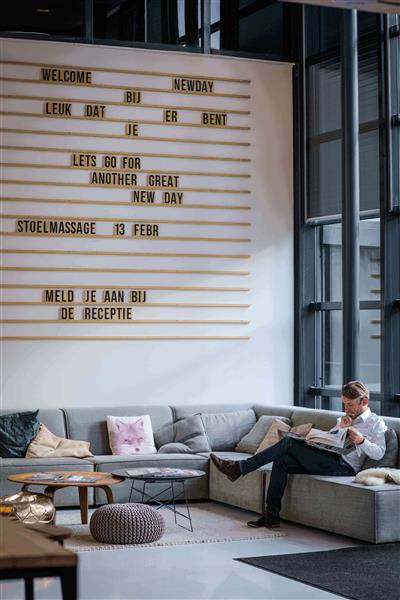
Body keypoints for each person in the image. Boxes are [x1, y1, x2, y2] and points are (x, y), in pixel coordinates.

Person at [210, 381, 387, 529]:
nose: (346, 408)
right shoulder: (343, 419)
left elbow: (379, 454)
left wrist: (361, 441)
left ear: (364, 402)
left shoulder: (375, 423)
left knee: (288, 442)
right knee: (281, 461)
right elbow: (331, 441)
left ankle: (239, 468)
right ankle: (271, 516)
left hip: (345, 466)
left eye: (350, 404)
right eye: (344, 404)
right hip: (328, 457)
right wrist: (340, 427)